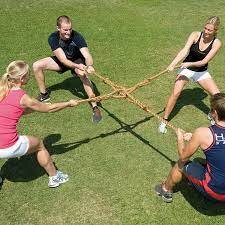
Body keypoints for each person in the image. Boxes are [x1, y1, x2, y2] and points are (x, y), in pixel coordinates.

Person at [0, 60, 78, 188]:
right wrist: (68, 104)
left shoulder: (2, 90)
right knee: (40, 145)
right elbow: (50, 109)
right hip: (8, 146)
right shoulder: (23, 98)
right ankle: (54, 177)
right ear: (22, 78)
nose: (29, 77)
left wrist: (37, 107)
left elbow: (14, 111)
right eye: (28, 75)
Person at [155, 93, 225, 203]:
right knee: (203, 161)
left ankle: (165, 189)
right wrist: (195, 138)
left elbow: (183, 157)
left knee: (180, 165)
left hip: (216, 192)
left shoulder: (203, 133)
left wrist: (180, 138)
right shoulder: (203, 135)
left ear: (215, 112)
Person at [33, 15, 102, 123]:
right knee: (37, 65)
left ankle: (95, 107)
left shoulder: (77, 36)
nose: (68, 32)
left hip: (77, 59)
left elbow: (87, 55)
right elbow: (63, 60)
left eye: (70, 29)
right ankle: (44, 95)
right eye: (65, 30)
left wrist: (89, 66)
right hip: (64, 60)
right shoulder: (53, 38)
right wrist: (76, 66)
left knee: (83, 75)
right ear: (58, 28)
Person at [159, 16, 221, 134]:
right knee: (176, 93)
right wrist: (172, 64)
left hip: (201, 72)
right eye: (205, 28)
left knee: (217, 96)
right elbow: (184, 50)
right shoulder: (195, 35)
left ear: (215, 31)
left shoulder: (217, 43)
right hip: (186, 70)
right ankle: (164, 121)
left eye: (209, 30)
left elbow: (204, 61)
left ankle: (212, 114)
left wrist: (189, 64)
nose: (206, 32)